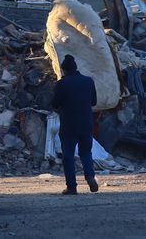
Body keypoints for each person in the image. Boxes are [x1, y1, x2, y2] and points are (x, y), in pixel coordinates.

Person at [51, 54, 99, 194]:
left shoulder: (62, 84)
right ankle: (90, 177)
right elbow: (94, 102)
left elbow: (55, 104)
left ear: (64, 70)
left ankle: (72, 187)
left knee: (68, 156)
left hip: (68, 126)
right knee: (86, 153)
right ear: (76, 68)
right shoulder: (88, 81)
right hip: (86, 124)